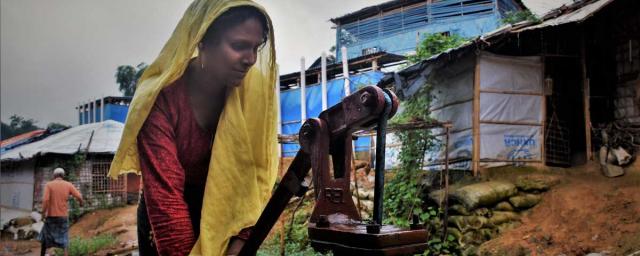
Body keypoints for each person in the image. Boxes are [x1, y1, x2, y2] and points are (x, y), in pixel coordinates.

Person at [108, 1, 279, 255]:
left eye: (256, 48)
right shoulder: (160, 100)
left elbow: (257, 173)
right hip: (167, 216)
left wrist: (242, 238)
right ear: (202, 41)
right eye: (239, 46)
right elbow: (167, 200)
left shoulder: (252, 92)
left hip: (225, 216)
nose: (251, 60)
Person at [39, 167, 84, 256]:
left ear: (54, 175)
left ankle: (46, 254)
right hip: (63, 216)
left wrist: (43, 213)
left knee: (47, 235)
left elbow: (45, 200)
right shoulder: (68, 185)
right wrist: (81, 203)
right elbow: (79, 196)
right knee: (64, 237)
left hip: (51, 216)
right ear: (63, 176)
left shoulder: (49, 185)